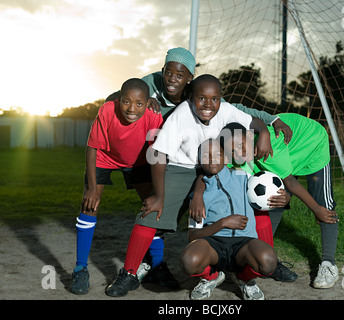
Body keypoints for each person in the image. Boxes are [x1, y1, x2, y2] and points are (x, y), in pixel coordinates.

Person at [105, 47, 293, 287]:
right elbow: (159, 154)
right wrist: (159, 195)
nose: (208, 105)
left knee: (256, 203)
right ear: (191, 97)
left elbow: (251, 119)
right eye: (201, 99)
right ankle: (129, 273)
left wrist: (265, 131)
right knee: (151, 211)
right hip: (183, 168)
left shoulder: (223, 108)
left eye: (214, 99)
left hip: (218, 165)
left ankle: (268, 264)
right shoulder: (181, 115)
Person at [214, 113, 340, 289]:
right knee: (273, 202)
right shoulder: (234, 155)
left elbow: (291, 182)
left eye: (241, 146)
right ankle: (256, 255)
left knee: (324, 206)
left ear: (249, 136)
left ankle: (328, 264)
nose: (238, 153)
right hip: (285, 157)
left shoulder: (268, 148)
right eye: (232, 150)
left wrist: (315, 209)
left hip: (310, 143)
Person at [69, 78, 163, 295]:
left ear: (147, 102)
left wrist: (159, 192)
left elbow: (157, 154)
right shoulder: (107, 110)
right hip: (105, 157)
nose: (132, 109)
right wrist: (92, 189)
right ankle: (80, 269)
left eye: (139, 103)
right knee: (89, 205)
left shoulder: (153, 115)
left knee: (152, 207)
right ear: (118, 99)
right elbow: (92, 148)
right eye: (126, 102)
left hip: (139, 160)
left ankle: (158, 265)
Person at [180, 138, 277, 300]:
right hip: (213, 246)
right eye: (206, 156)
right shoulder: (198, 196)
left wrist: (284, 197)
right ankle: (211, 277)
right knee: (188, 262)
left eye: (218, 154)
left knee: (268, 261)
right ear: (199, 161)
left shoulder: (243, 176)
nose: (212, 160)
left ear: (225, 158)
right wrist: (222, 223)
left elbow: (269, 187)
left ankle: (245, 279)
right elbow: (192, 236)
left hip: (244, 244)